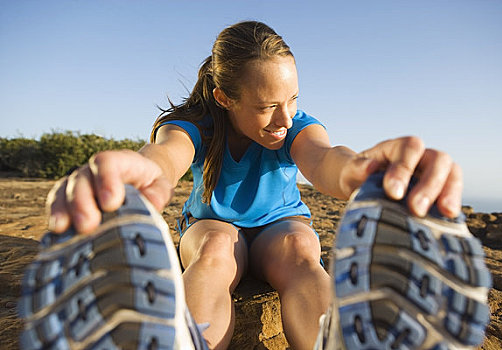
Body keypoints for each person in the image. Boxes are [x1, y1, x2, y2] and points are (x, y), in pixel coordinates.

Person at [44, 21, 471, 350]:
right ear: (225, 98)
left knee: (303, 250)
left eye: (293, 100)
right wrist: (140, 169)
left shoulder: (295, 128)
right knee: (214, 249)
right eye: (268, 107)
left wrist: (361, 171)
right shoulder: (196, 124)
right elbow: (166, 154)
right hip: (211, 227)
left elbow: (325, 160)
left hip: (280, 228)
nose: (285, 120)